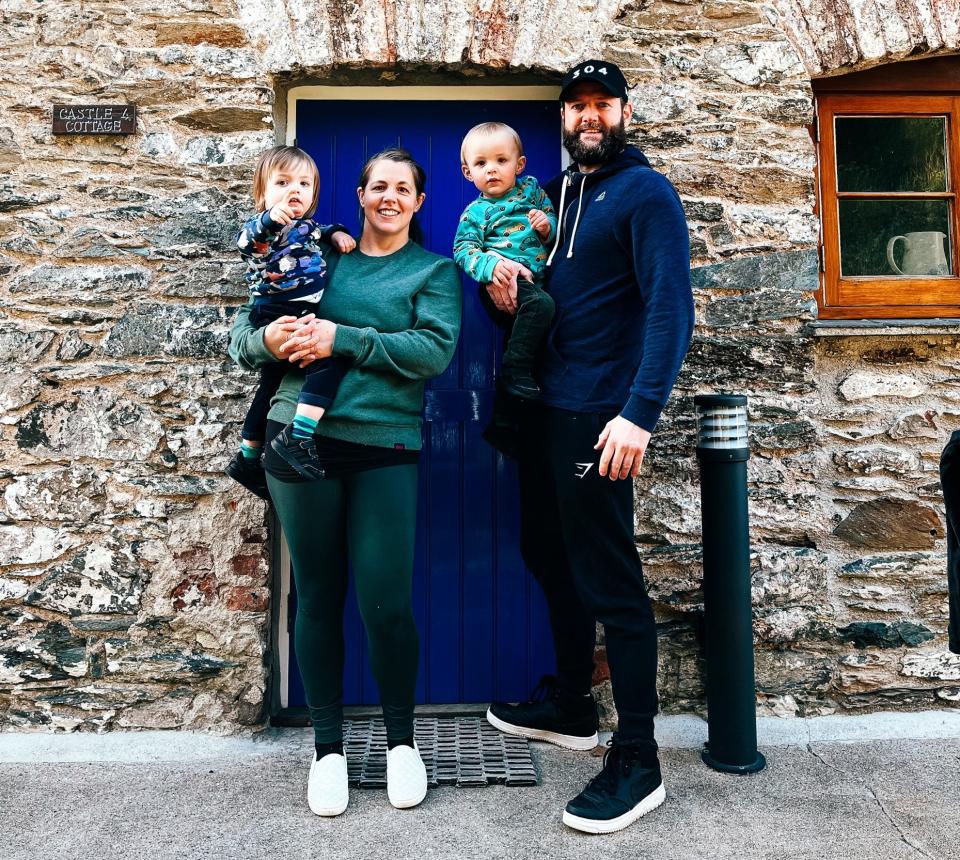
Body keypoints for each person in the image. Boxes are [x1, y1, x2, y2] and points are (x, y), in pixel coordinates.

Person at [483, 60, 695, 834]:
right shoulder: (562, 197)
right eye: (577, 107)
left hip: (602, 418)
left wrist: (639, 415)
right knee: (546, 552)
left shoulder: (647, 193)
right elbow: (559, 300)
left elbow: (672, 310)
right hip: (547, 410)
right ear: (564, 121)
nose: (590, 117)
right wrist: (505, 301)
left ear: (626, 112)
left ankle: (638, 759)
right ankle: (573, 701)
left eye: (602, 104)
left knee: (612, 582)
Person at [228, 148, 462, 816]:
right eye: (377, 186)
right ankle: (328, 751)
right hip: (297, 444)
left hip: (385, 444)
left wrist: (343, 338)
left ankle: (400, 744)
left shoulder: (434, 272)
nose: (389, 196)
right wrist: (271, 343)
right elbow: (243, 337)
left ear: (419, 202)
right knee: (319, 595)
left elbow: (433, 352)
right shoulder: (316, 256)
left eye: (403, 188)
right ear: (359, 195)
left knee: (386, 601)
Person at [225, 145, 356, 499]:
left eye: (303, 184)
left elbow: (320, 230)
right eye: (282, 182)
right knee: (329, 362)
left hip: (293, 311)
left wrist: (336, 233)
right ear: (263, 192)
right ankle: (299, 437)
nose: (294, 190)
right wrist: (270, 219)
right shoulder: (264, 229)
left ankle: (248, 457)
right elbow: (247, 242)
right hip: (279, 311)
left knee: (270, 386)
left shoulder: (307, 226)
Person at [453, 122, 557, 399]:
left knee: (534, 329)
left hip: (537, 277)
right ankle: (514, 370)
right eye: (481, 163)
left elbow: (555, 220)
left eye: (501, 160)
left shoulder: (532, 192)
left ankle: (514, 400)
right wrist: (493, 266)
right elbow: (463, 250)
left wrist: (547, 227)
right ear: (468, 172)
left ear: (519, 164)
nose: (491, 168)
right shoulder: (475, 213)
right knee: (541, 306)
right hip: (501, 280)